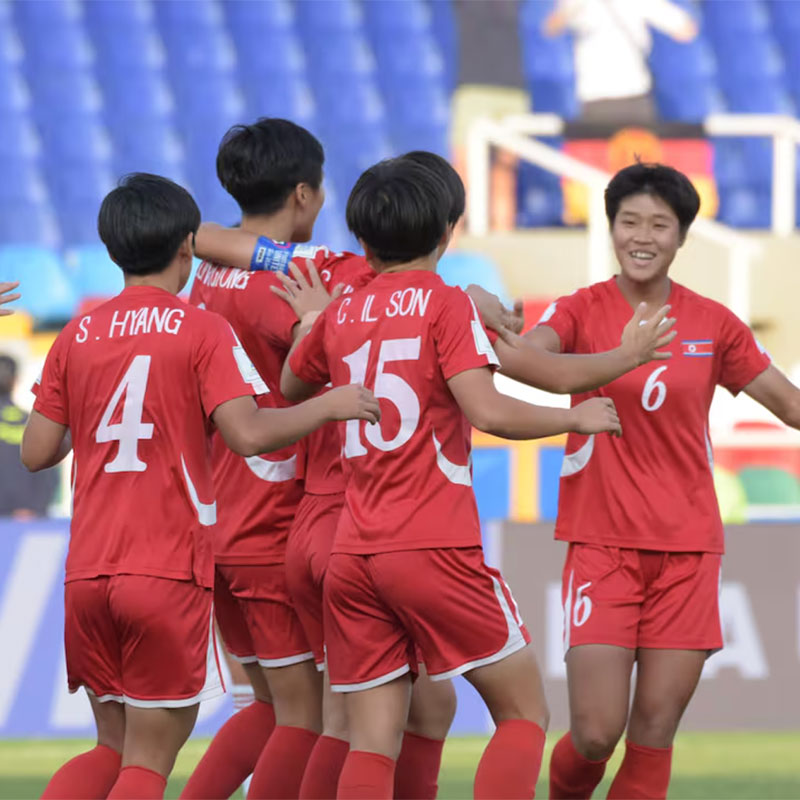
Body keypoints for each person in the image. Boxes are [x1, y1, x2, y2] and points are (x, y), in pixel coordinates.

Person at [21, 173, 379, 800]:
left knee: (111, 746)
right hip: (164, 569)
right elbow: (247, 433)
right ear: (188, 248)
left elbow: (37, 452)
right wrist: (330, 406)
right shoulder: (198, 329)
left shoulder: (76, 335)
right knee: (149, 759)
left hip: (87, 573)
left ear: (111, 249)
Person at [280, 156, 625, 799]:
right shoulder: (448, 303)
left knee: (371, 739)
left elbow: (292, 382)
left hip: (354, 551)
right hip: (432, 543)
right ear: (447, 233)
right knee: (524, 713)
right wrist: (572, 415)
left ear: (362, 240)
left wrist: (314, 323)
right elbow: (487, 409)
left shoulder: (344, 310)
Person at [186, 139, 466, 800]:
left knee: (283, 708)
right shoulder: (331, 282)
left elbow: (196, 236)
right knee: (320, 716)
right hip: (287, 521)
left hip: (220, 519)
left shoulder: (212, 275)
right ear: (305, 195)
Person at [526, 162, 800, 800]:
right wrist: (516, 339)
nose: (642, 236)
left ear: (681, 238)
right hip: (601, 545)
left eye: (659, 224)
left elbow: (789, 406)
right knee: (595, 733)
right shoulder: (580, 308)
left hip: (687, 551)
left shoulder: (714, 323)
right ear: (611, 229)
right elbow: (532, 357)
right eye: (629, 222)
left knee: (652, 733)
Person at [543, 0, 697, 124]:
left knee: (599, 160)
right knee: (637, 160)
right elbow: (686, 30)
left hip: (600, 96)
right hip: (630, 95)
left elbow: (551, 28)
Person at [0, 353, 58, 518]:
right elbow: (49, 472)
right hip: (26, 520)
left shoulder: (34, 423)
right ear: (15, 380)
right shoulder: (33, 423)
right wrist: (32, 507)